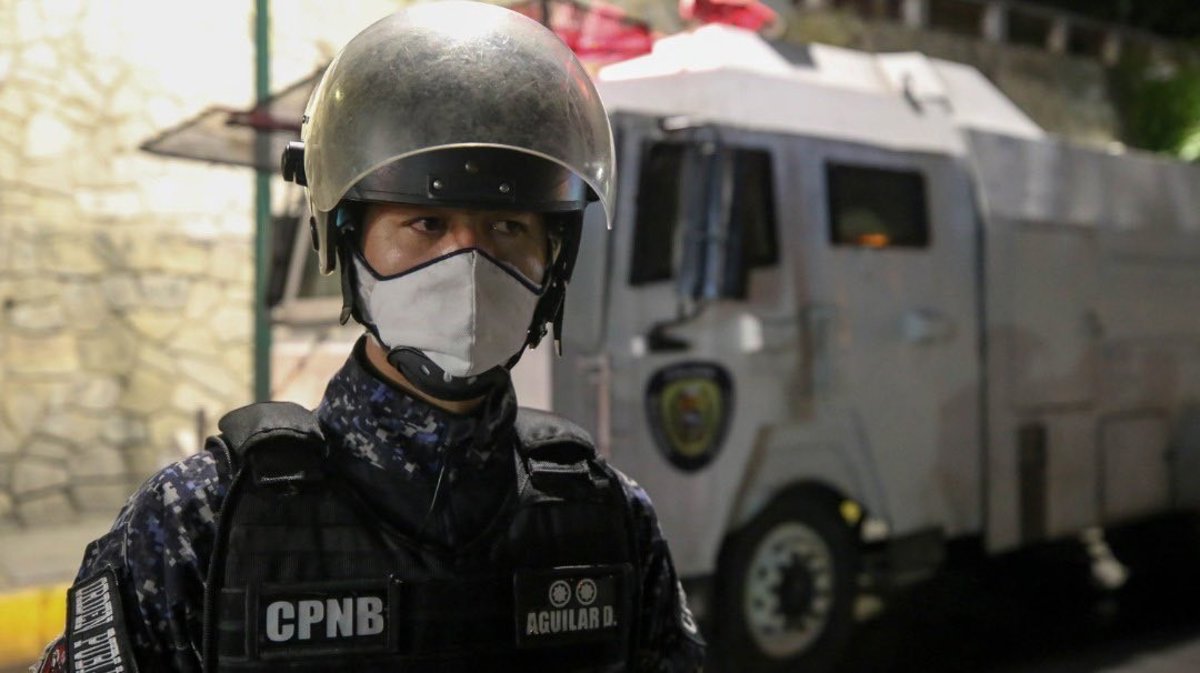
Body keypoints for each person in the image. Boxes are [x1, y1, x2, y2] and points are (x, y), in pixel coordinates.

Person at [34, 3, 706, 672]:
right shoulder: (198, 523)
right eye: (426, 223)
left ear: (553, 259)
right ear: (346, 240)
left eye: (507, 227)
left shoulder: (609, 518)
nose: (468, 265)